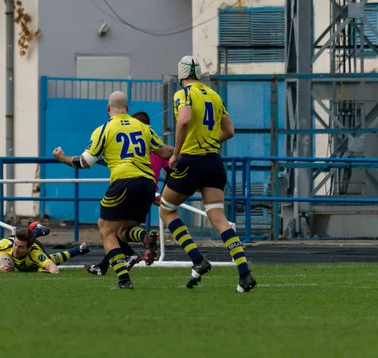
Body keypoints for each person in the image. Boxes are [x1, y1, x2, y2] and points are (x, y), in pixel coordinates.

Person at [53, 91, 174, 289]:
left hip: (123, 182)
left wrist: (62, 158)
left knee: (106, 231)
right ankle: (144, 236)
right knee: (122, 231)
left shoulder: (104, 129)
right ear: (127, 109)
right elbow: (164, 151)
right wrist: (183, 150)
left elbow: (85, 162)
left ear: (108, 109)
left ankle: (124, 280)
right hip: (147, 184)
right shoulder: (143, 128)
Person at [159, 55, 256, 293]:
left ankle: (197, 259)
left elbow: (184, 120)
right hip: (213, 162)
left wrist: (176, 154)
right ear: (200, 74)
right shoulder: (214, 95)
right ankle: (244, 273)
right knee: (218, 218)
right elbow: (229, 131)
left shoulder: (183, 94)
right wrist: (209, 141)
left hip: (190, 162)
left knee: (166, 209)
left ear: (181, 75)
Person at [84, 111, 171, 276]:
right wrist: (164, 193)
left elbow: (91, 159)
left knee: (107, 228)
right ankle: (133, 247)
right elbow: (171, 168)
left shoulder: (128, 140)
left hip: (127, 184)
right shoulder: (156, 145)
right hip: (148, 189)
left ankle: (126, 262)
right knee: (120, 231)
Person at [0, 222, 91, 274]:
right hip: (20, 247)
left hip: (33, 250)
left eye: (20, 247)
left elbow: (52, 266)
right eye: (15, 245)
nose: (16, 249)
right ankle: (38, 230)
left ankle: (78, 250)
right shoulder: (4, 244)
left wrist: (52, 271)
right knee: (34, 267)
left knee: (48, 260)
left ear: (29, 248)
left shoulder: (35, 253)